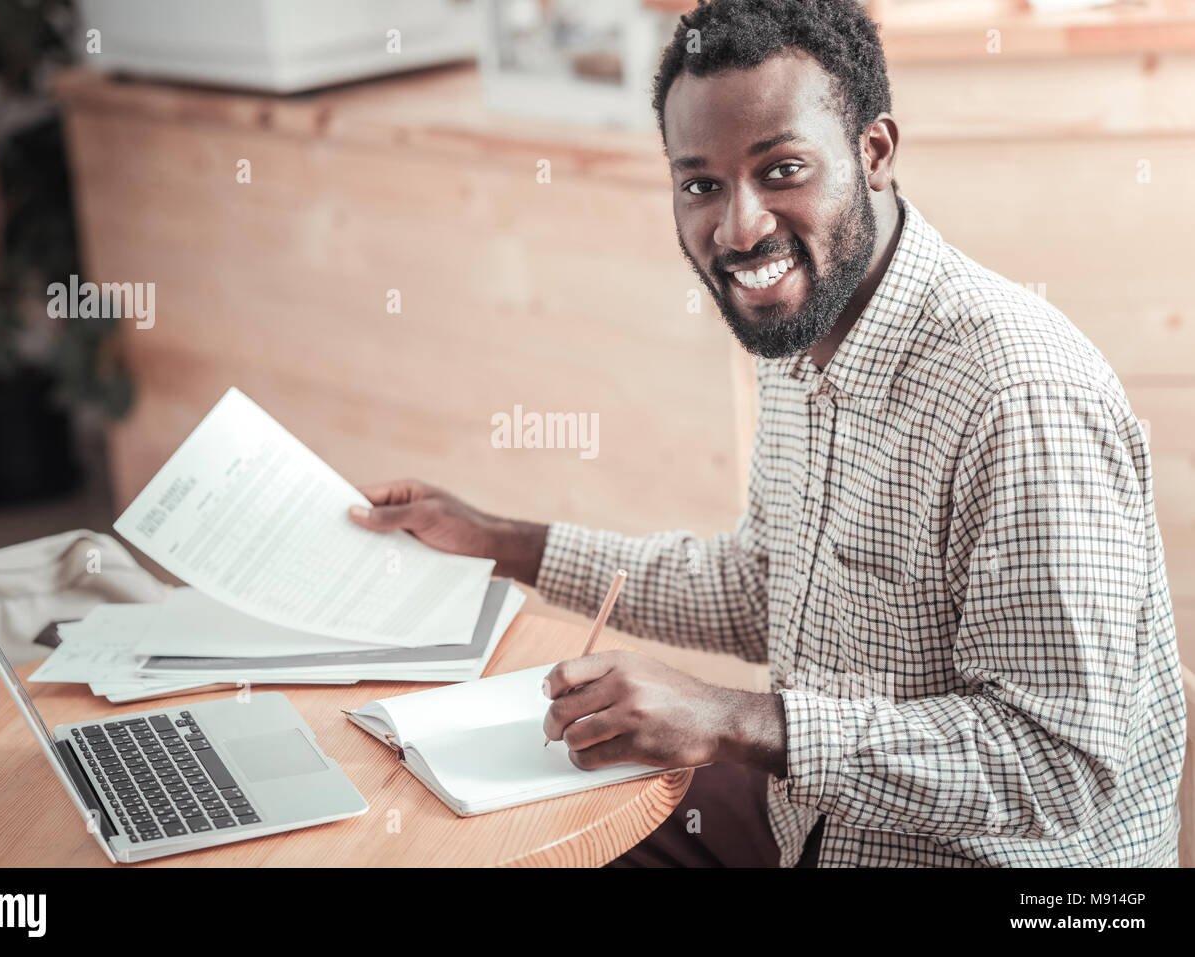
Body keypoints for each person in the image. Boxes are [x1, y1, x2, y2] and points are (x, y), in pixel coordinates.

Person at [348, 0, 1187, 867]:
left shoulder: (1020, 397)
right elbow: (761, 585)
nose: (739, 228)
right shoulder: (802, 327)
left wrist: (733, 720)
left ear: (875, 153)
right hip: (814, 821)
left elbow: (1057, 768)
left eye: (781, 169)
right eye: (701, 183)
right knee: (499, 840)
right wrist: (496, 539)